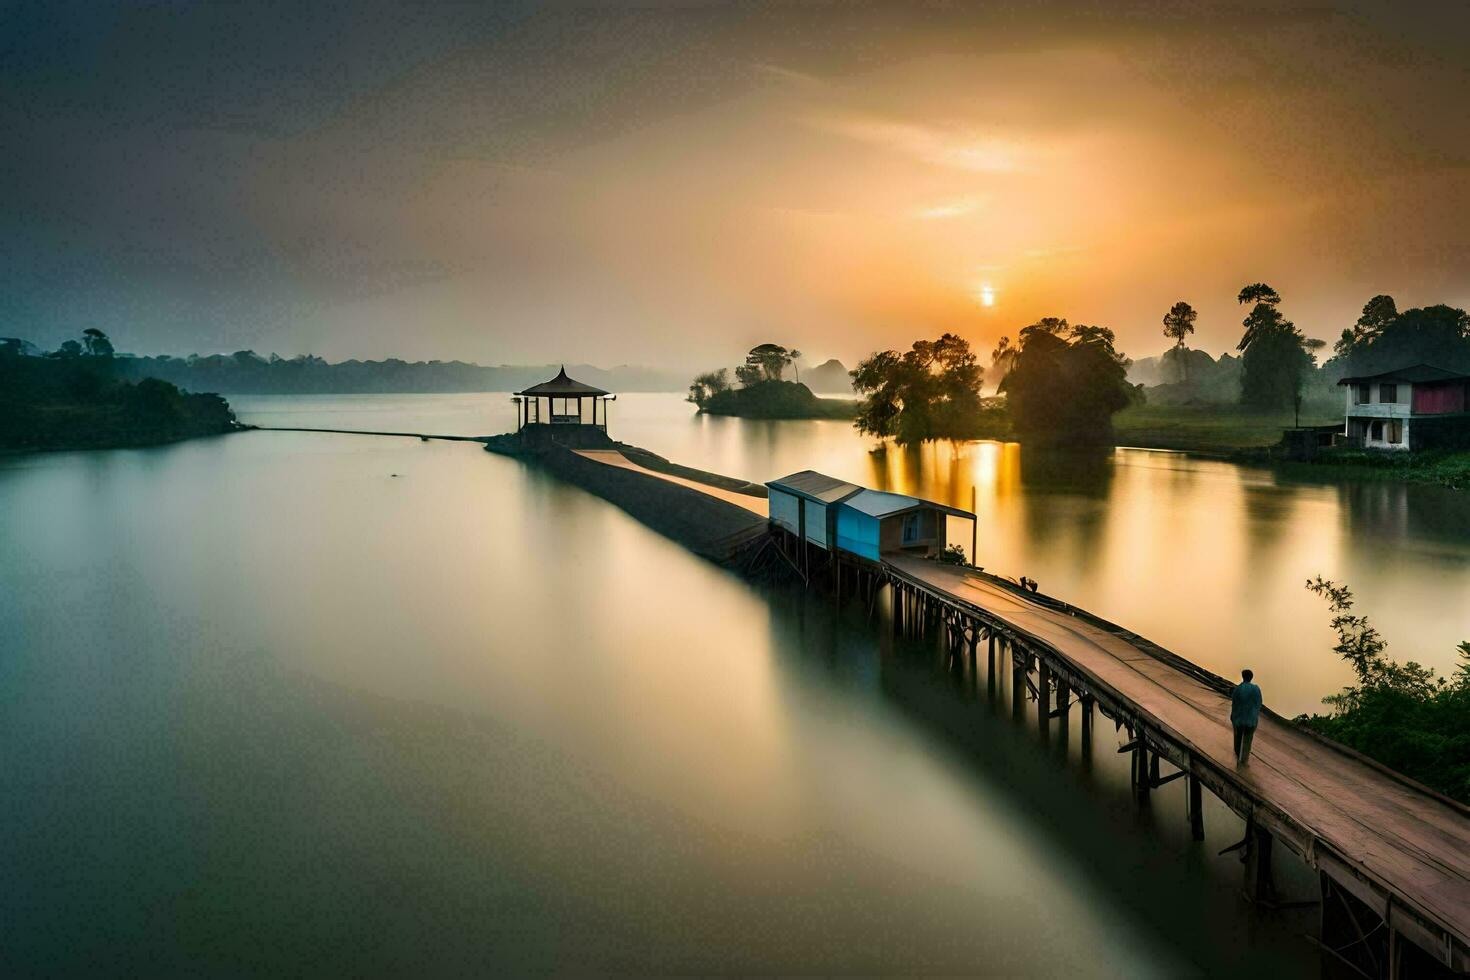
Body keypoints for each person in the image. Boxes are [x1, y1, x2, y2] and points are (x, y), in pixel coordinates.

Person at [1230, 669, 1263, 765]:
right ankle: (1243, 762)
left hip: (1239, 720)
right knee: (1247, 741)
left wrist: (1233, 717)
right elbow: (1259, 703)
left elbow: (1234, 704)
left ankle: (1238, 757)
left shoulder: (1238, 689)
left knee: (1238, 739)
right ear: (1251, 677)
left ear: (1242, 677)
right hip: (1251, 720)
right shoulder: (1256, 689)